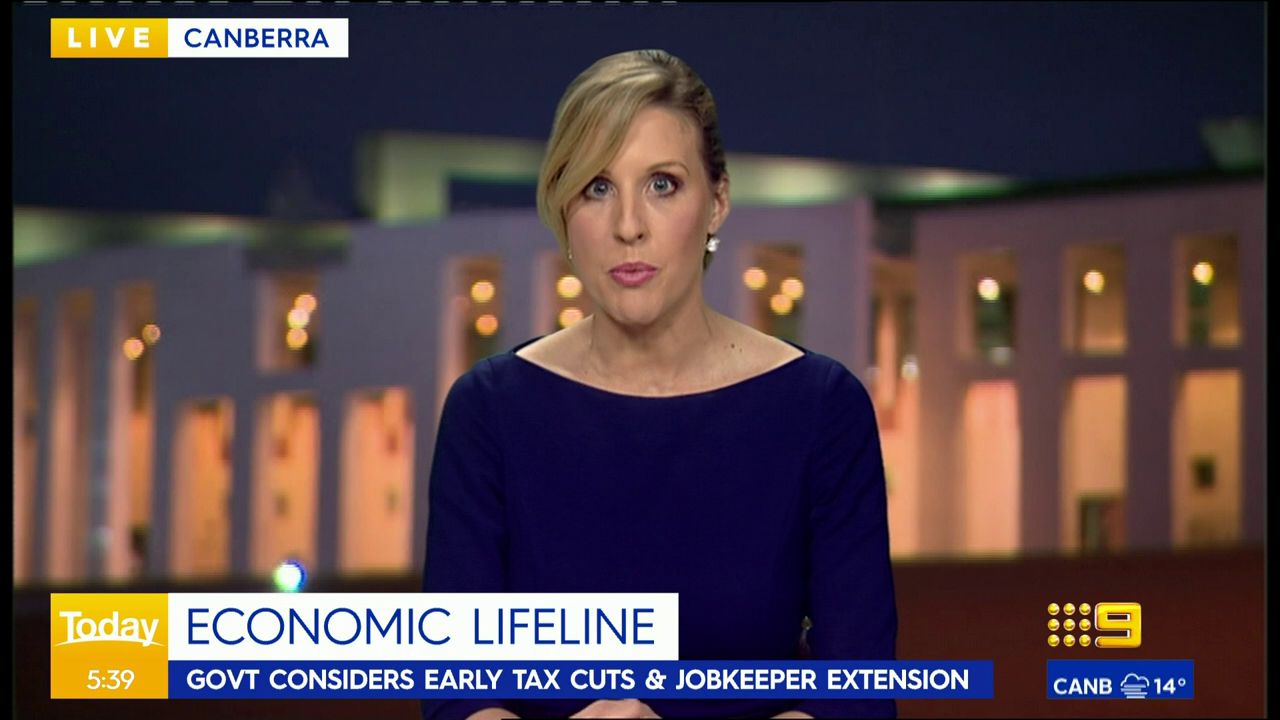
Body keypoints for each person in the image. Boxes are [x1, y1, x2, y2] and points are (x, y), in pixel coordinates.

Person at [422, 49, 896, 720]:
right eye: (597, 187)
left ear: (717, 201)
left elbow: (857, 697)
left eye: (663, 184)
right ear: (563, 209)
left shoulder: (821, 409)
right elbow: (456, 696)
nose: (628, 226)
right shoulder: (488, 413)